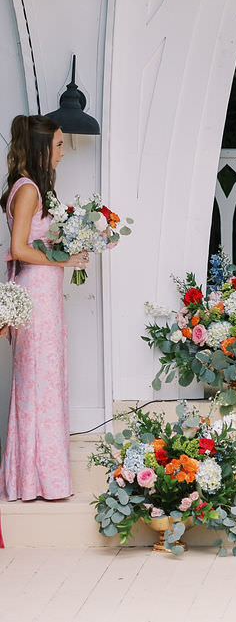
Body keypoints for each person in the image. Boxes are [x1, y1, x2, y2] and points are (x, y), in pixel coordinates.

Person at [0, 115, 88, 502]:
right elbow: (19, 248)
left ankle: (35, 479)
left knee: (42, 383)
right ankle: (37, 480)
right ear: (40, 149)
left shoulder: (29, 188)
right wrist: (65, 260)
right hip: (35, 296)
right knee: (40, 384)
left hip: (41, 294)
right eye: (57, 145)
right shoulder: (29, 191)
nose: (62, 152)